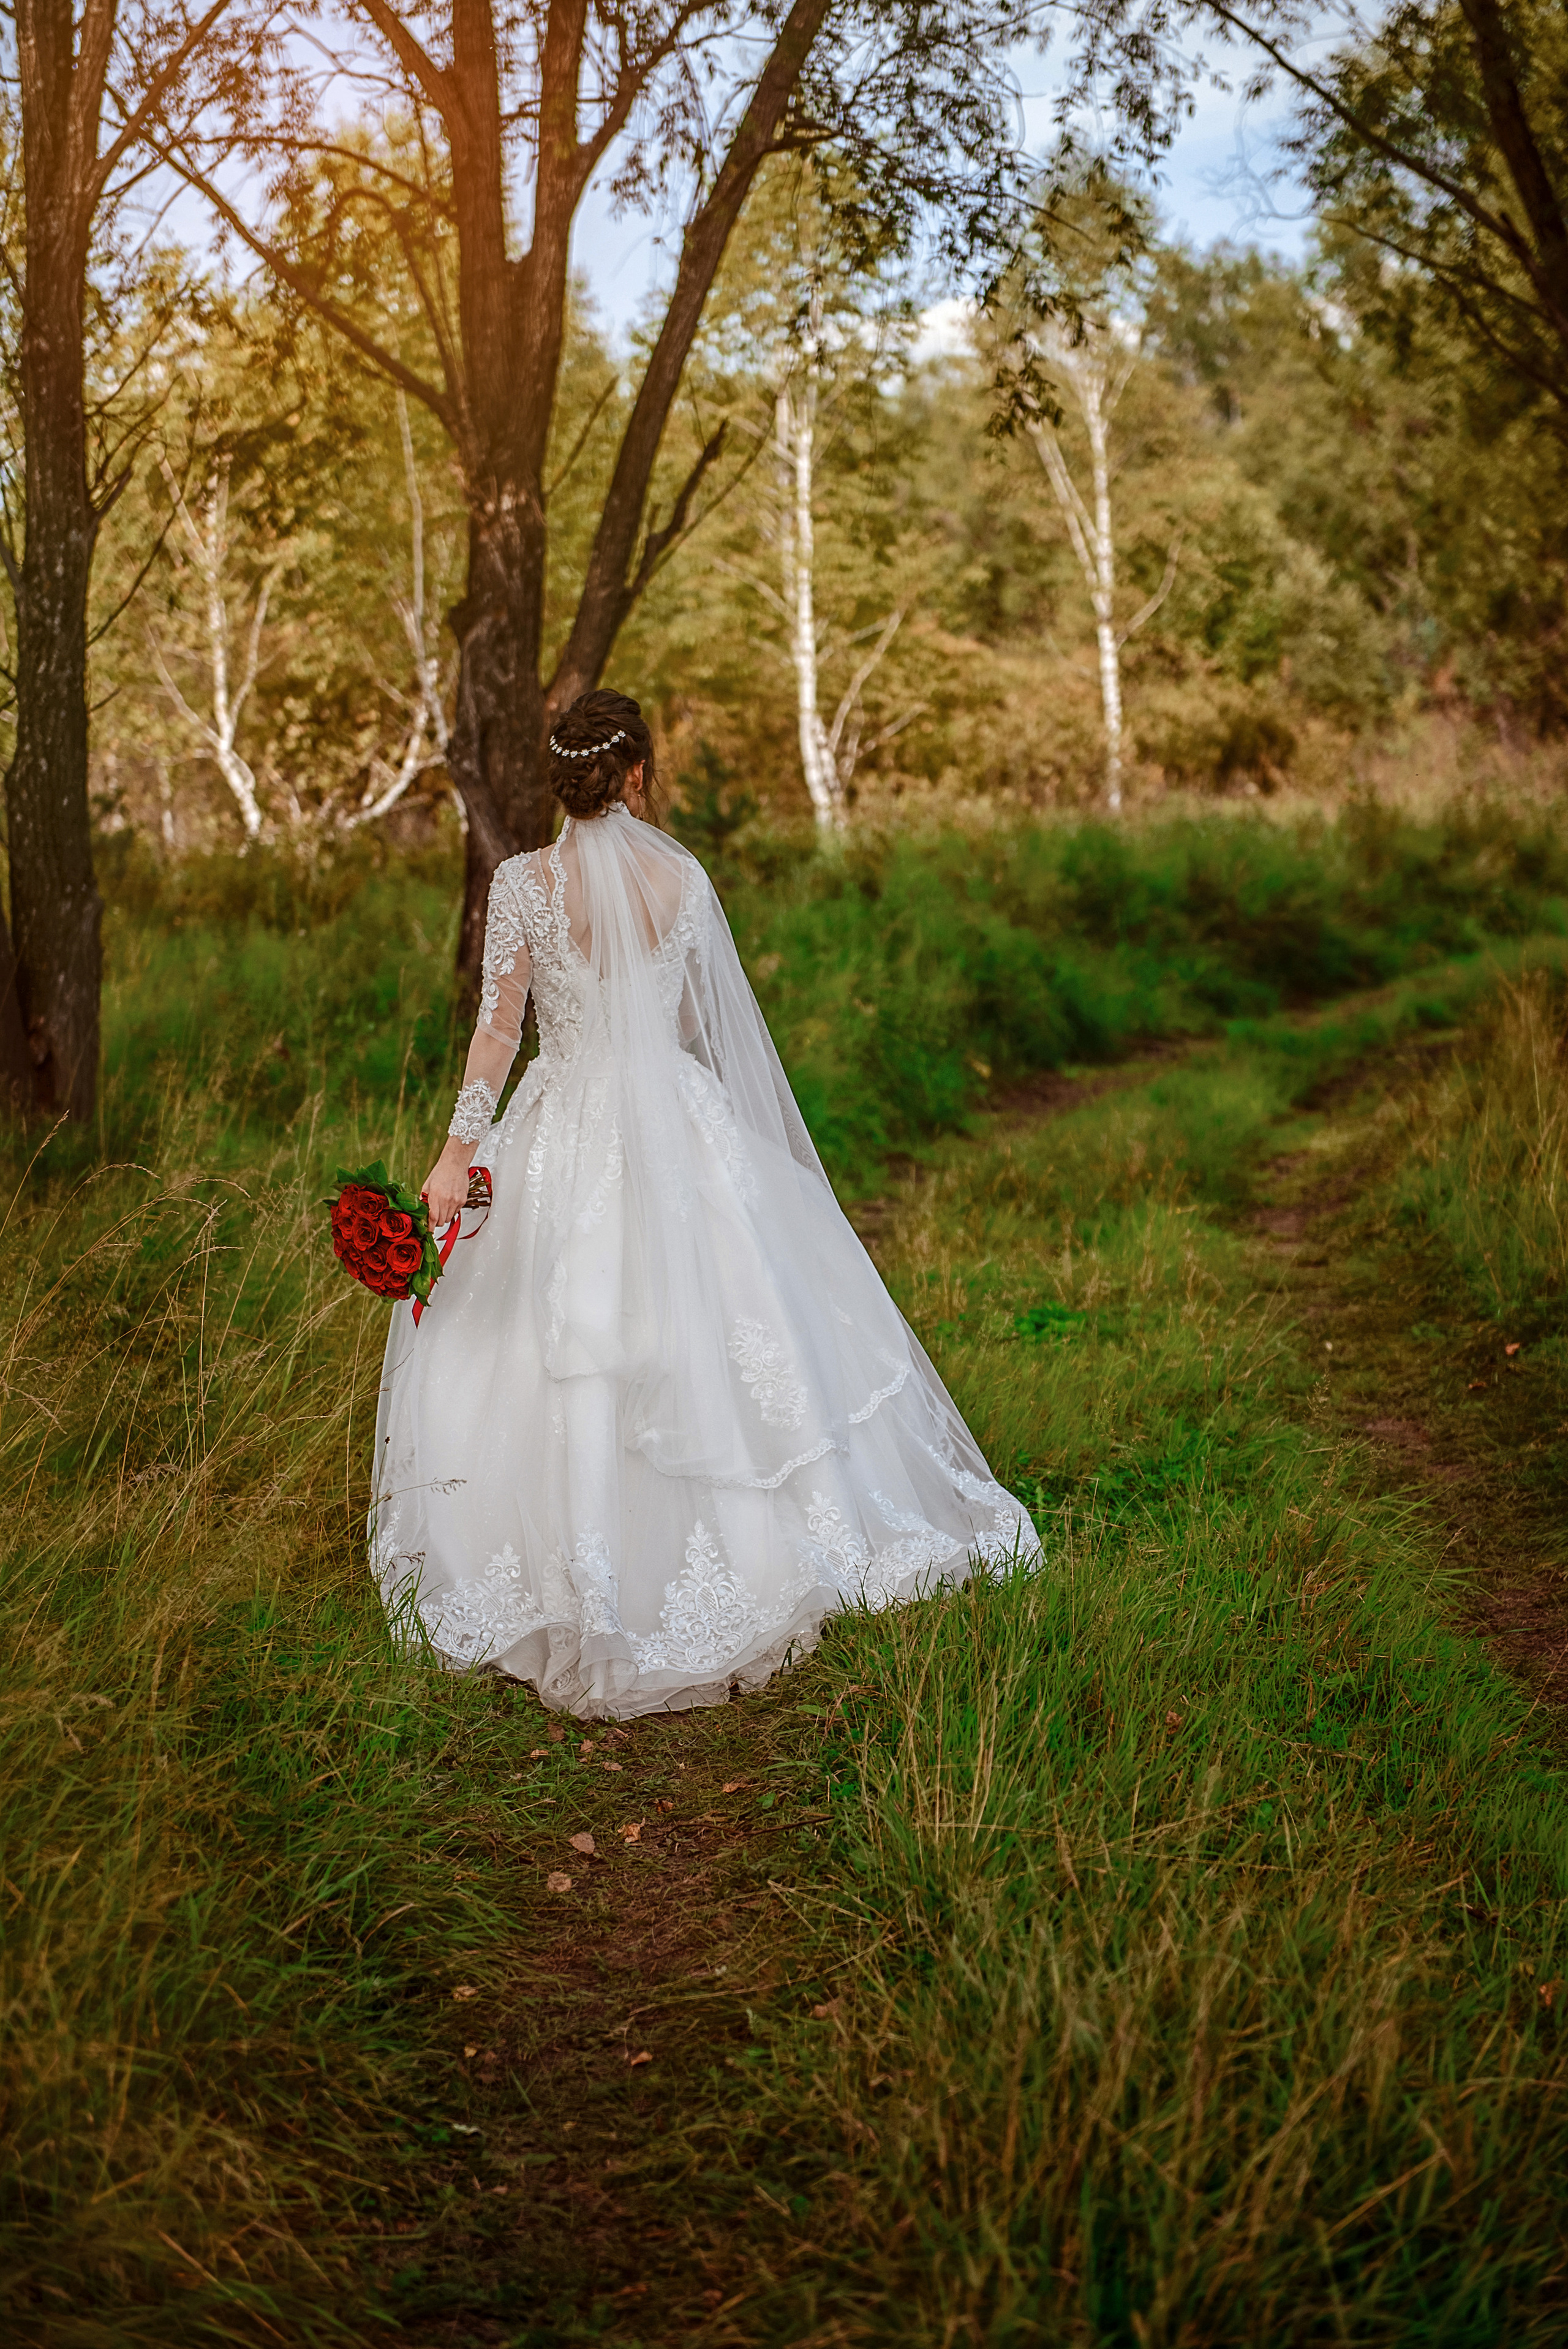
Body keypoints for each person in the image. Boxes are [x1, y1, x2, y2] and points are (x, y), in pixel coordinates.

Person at [371, 687, 1034, 1719]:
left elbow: (500, 1032)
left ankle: (579, 1571)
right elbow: (688, 1020)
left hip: (564, 1111)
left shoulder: (521, 884)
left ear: (564, 779)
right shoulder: (681, 877)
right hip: (672, 1115)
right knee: (723, 1318)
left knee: (554, 1337)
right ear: (637, 773)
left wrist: (459, 1153)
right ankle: (759, 1548)